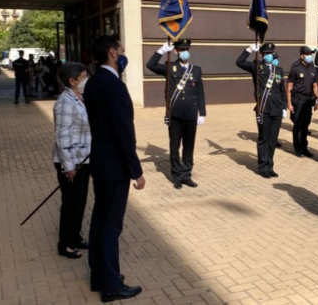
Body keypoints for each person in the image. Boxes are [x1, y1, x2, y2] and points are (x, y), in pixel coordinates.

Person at [84, 35, 145, 302]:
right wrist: (136, 169)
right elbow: (123, 132)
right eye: (121, 50)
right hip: (115, 166)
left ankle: (98, 275)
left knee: (99, 221)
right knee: (111, 227)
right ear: (112, 53)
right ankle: (111, 285)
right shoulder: (114, 86)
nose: (123, 55)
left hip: (100, 163)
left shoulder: (93, 83)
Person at [146, 39, 206, 190]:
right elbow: (150, 65)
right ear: (175, 51)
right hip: (175, 114)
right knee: (174, 147)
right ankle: (177, 176)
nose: (185, 52)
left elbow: (200, 93)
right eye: (181, 49)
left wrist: (202, 113)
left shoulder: (196, 70)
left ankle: (187, 175)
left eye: (187, 49)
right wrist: (161, 50)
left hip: (191, 114)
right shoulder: (169, 68)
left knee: (189, 147)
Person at [53, 62, 91, 259]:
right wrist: (68, 166)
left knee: (80, 202)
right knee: (70, 203)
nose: (87, 79)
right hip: (71, 162)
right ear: (72, 81)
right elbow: (62, 136)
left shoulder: (81, 97)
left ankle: (75, 236)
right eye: (84, 77)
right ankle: (65, 243)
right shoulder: (65, 102)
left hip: (83, 160)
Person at [236, 42, 287, 178]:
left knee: (272, 140)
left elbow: (282, 91)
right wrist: (249, 49)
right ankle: (262, 167)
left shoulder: (279, 70)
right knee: (263, 138)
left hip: (277, 109)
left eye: (271, 53)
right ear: (261, 54)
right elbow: (239, 62)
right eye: (266, 53)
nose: (269, 55)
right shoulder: (256, 67)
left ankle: (270, 166)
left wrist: (284, 107)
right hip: (263, 109)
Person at [287, 46, 318, 158]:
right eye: (308, 54)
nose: (310, 56)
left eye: (311, 54)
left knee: (306, 125)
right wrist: (289, 103)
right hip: (298, 100)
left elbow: (315, 85)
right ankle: (297, 148)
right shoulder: (295, 67)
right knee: (298, 125)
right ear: (302, 56)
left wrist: (316, 101)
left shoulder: (312, 67)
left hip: (308, 101)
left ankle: (305, 148)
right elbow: (289, 86)